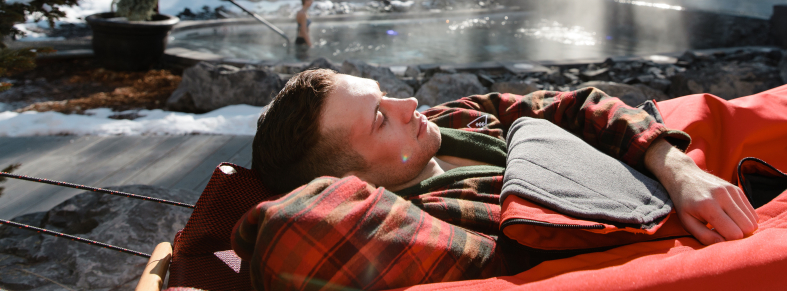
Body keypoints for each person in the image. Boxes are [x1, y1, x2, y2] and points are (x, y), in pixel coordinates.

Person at [235, 69, 758, 291]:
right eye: (379, 117)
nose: (410, 104)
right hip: (697, 220)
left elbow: (572, 102)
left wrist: (676, 165)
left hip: (680, 166)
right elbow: (292, 237)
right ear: (348, 183)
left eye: (385, 92)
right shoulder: (431, 222)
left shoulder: (448, 122)